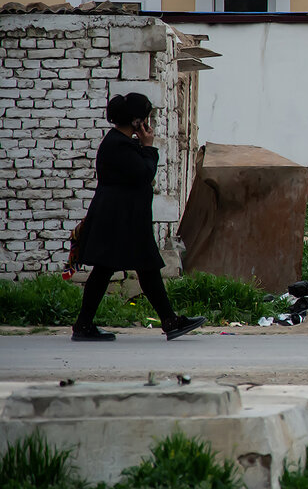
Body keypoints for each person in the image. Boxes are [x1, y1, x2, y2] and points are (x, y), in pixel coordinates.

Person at [69, 93, 206, 342]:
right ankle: (84, 325)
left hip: (124, 218)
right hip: (119, 220)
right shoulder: (118, 146)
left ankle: (169, 321)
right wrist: (150, 147)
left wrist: (143, 148)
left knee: (141, 268)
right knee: (115, 269)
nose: (147, 122)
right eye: (145, 118)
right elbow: (144, 173)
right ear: (136, 121)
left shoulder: (120, 143)